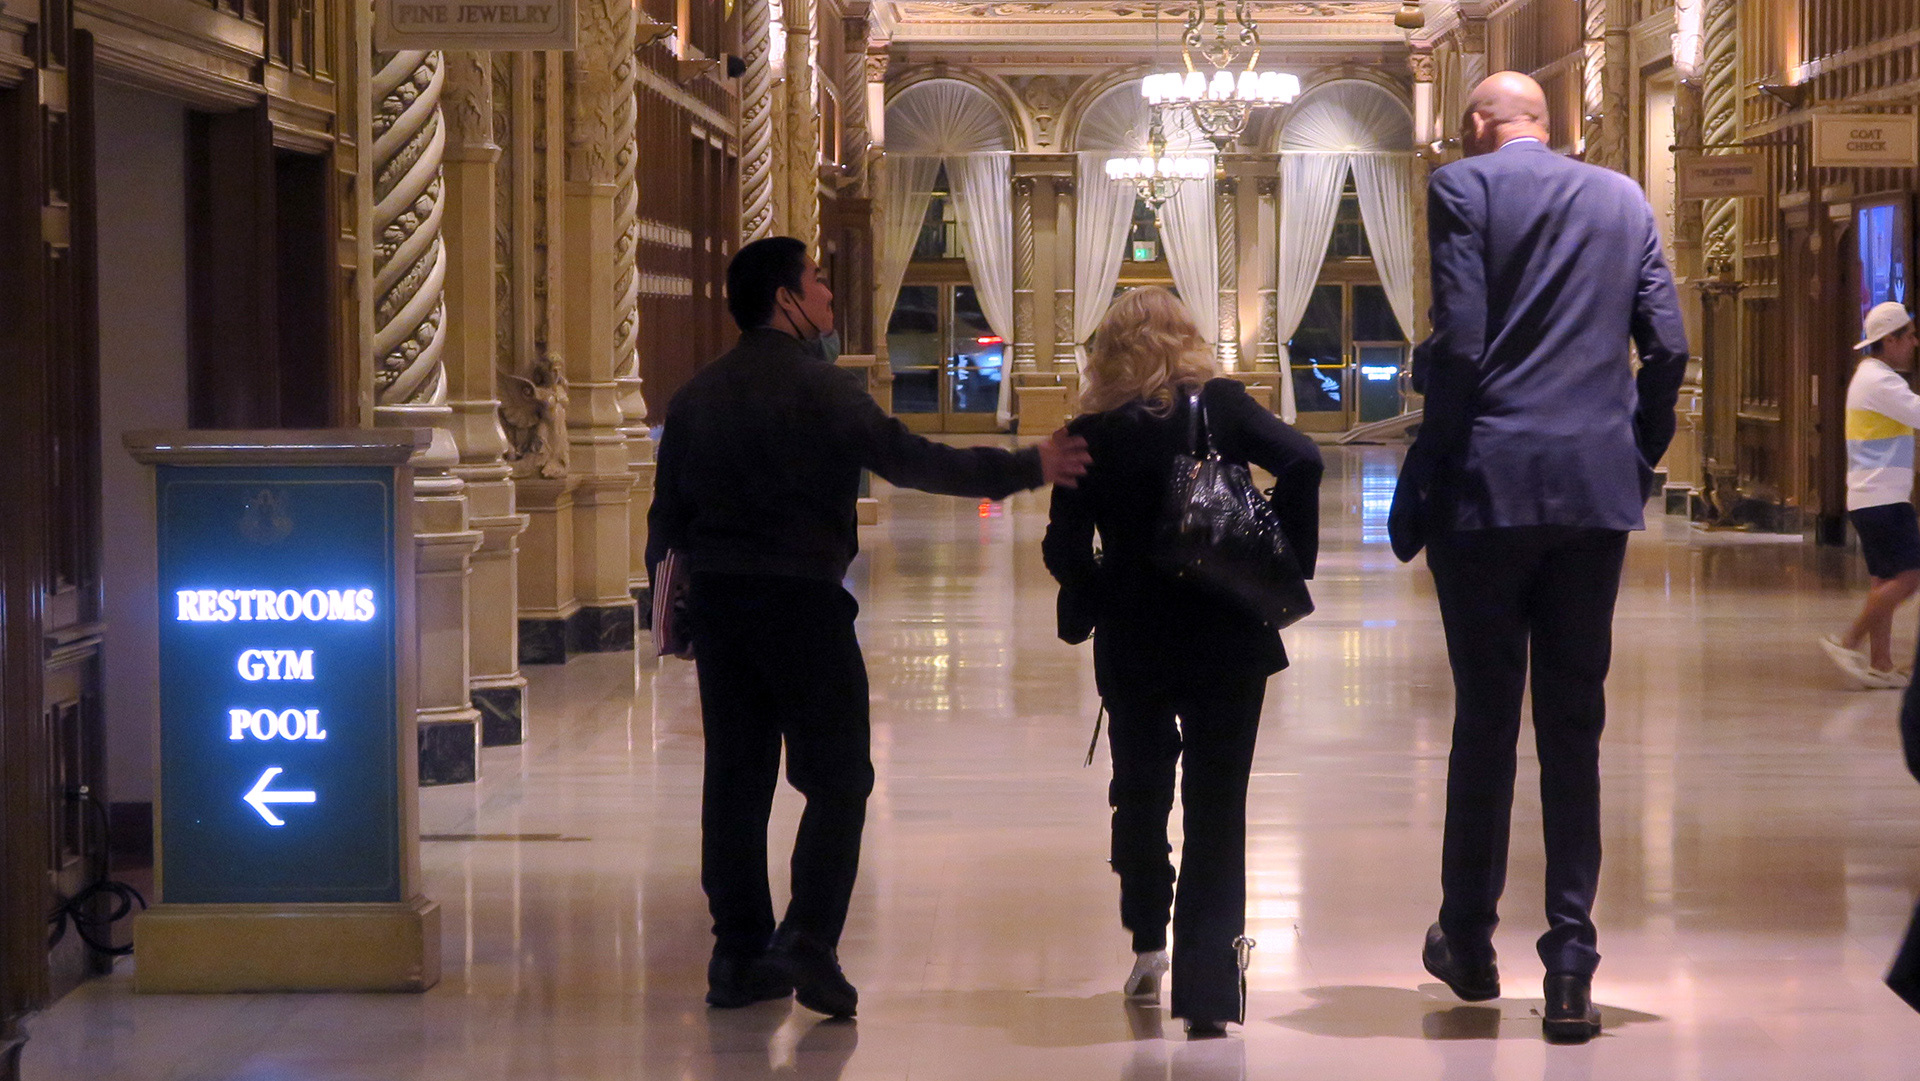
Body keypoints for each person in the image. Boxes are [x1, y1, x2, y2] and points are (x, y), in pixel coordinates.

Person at [646, 236, 1090, 1019]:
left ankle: (737, 954)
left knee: (737, 781)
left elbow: (665, 524)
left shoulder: (694, 398)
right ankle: (809, 939)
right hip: (804, 608)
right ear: (786, 299)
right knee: (839, 776)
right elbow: (914, 461)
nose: (825, 294)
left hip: (723, 612)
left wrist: (679, 615)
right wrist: (1029, 466)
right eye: (816, 280)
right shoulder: (824, 391)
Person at [1387, 72, 1689, 1043]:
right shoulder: (1623, 196)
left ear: (1478, 126)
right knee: (1573, 726)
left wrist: (1423, 471)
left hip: (1488, 488)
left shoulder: (1463, 190)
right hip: (1590, 494)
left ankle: (1469, 940)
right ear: (1550, 124)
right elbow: (1670, 345)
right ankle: (1570, 964)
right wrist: (1634, 450)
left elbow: (1465, 348)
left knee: (1484, 716)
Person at [1042, 287, 1323, 1038]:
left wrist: (1104, 585)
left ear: (1108, 350)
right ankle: (1205, 985)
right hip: (1228, 632)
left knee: (1138, 788)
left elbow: (1063, 550)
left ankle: (1146, 942)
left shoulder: (1087, 433)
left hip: (1134, 637)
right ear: (1187, 337)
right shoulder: (1222, 408)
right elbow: (1304, 459)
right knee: (1216, 802)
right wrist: (1288, 557)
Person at [1820, 302, 1920, 689]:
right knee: (1909, 578)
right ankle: (1849, 643)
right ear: (1890, 340)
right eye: (1908, 335)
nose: (1914, 342)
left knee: (1884, 581)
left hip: (1871, 496)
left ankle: (1880, 663)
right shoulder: (1880, 381)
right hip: (1882, 499)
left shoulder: (1872, 376)